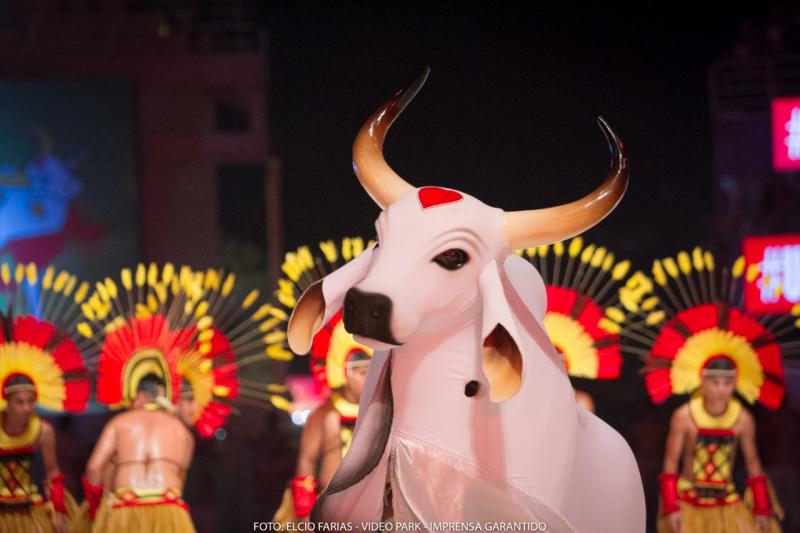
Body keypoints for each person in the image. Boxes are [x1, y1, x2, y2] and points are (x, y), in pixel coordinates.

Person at [658, 357, 782, 533]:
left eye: (727, 382)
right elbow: (670, 461)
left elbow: (753, 463)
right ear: (702, 379)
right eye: (715, 382)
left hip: (726, 499)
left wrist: (761, 508)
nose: (721, 389)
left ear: (736, 382)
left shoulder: (743, 419)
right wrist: (670, 507)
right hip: (688, 499)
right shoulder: (684, 416)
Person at [274, 312, 372, 522]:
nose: (369, 379)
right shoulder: (324, 415)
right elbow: (306, 463)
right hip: (330, 514)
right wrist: (303, 514)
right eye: (363, 373)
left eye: (372, 372)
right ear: (346, 372)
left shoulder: (378, 413)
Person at [82, 374, 195, 532]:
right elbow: (180, 477)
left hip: (126, 509)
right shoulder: (182, 432)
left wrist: (95, 510)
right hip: (169, 512)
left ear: (140, 396)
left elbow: (94, 468)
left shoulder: (119, 423)